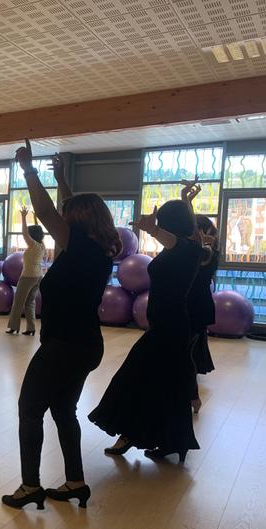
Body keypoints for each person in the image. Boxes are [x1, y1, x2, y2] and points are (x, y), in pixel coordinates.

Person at [2, 144, 121, 510]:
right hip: (86, 344)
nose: (61, 222)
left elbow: (45, 211)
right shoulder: (97, 246)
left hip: (64, 345)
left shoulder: (78, 244)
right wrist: (62, 180)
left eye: (69, 217)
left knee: (29, 408)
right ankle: (75, 482)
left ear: (78, 222)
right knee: (62, 411)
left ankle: (30, 486)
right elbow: (69, 210)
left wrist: (28, 169)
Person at [89, 189, 206, 463]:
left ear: (170, 225)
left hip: (171, 327)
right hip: (167, 325)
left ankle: (131, 434)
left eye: (164, 223)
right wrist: (187, 202)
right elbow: (184, 237)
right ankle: (169, 440)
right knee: (165, 384)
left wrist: (152, 229)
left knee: (134, 377)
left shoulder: (187, 250)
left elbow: (176, 239)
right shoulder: (187, 247)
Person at [180, 180, 218, 414]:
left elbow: (193, 239)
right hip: (190, 307)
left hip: (195, 308)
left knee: (186, 354)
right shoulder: (195, 250)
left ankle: (191, 396)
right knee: (187, 352)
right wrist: (187, 202)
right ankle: (191, 396)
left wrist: (186, 202)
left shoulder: (206, 252)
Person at [6, 207, 46, 335]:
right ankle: (31, 328)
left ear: (32, 236)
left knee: (18, 302)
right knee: (30, 302)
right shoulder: (42, 245)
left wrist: (23, 217)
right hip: (38, 276)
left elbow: (24, 233)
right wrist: (34, 218)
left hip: (28, 277)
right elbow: (38, 231)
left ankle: (13, 327)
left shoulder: (33, 245)